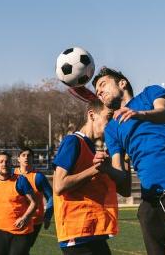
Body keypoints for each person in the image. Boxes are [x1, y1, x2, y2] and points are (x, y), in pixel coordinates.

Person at [92, 67, 165, 255]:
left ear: (122, 83)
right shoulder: (111, 129)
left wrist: (139, 114)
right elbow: (120, 175)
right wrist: (106, 169)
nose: (100, 92)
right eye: (97, 92)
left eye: (103, 85)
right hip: (151, 201)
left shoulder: (149, 94)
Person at [52, 99, 131, 255]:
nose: (112, 123)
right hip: (77, 234)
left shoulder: (95, 151)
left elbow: (126, 190)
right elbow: (59, 186)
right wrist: (95, 169)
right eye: (109, 116)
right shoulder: (73, 142)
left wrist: (124, 156)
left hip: (94, 233)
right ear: (92, 115)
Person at [0, 152, 38, 255]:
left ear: (11, 164)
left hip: (21, 232)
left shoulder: (20, 180)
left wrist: (25, 218)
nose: (4, 164)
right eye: (1, 162)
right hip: (0, 229)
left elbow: (34, 203)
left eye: (7, 162)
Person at [14, 147, 54, 247]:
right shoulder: (12, 174)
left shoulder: (38, 177)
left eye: (29, 155)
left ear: (33, 158)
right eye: (23, 155)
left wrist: (48, 216)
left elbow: (51, 197)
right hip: (14, 218)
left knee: (22, 248)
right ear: (18, 158)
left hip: (34, 220)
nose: (26, 157)